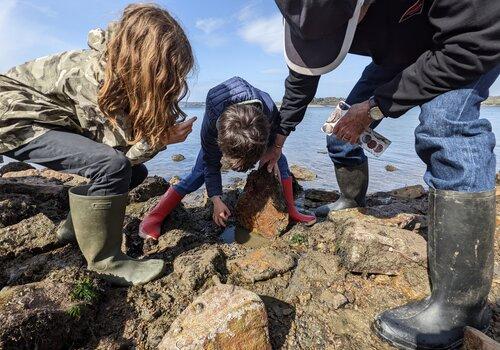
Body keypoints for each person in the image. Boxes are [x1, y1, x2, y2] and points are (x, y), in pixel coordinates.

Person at [262, 0, 500, 349]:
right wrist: (279, 137)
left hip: (463, 42)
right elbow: (303, 77)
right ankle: (351, 199)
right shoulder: (310, 14)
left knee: (446, 126)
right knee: (340, 130)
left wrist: (377, 106)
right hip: (397, 54)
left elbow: (477, 44)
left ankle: (462, 307)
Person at [0, 4, 196, 286]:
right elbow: (116, 156)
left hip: (43, 119)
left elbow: (127, 157)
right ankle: (106, 261)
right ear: (144, 60)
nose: (173, 82)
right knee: (113, 167)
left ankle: (74, 228)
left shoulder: (117, 70)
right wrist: (160, 140)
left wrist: (155, 139)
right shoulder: (95, 78)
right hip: (13, 120)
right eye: (168, 72)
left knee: (133, 173)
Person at [139, 76, 316, 241]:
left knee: (278, 160)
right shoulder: (212, 121)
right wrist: (216, 199)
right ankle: (155, 216)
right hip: (222, 115)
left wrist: (275, 149)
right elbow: (211, 162)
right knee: (198, 174)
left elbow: (279, 136)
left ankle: (292, 210)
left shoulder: (269, 109)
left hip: (259, 122)